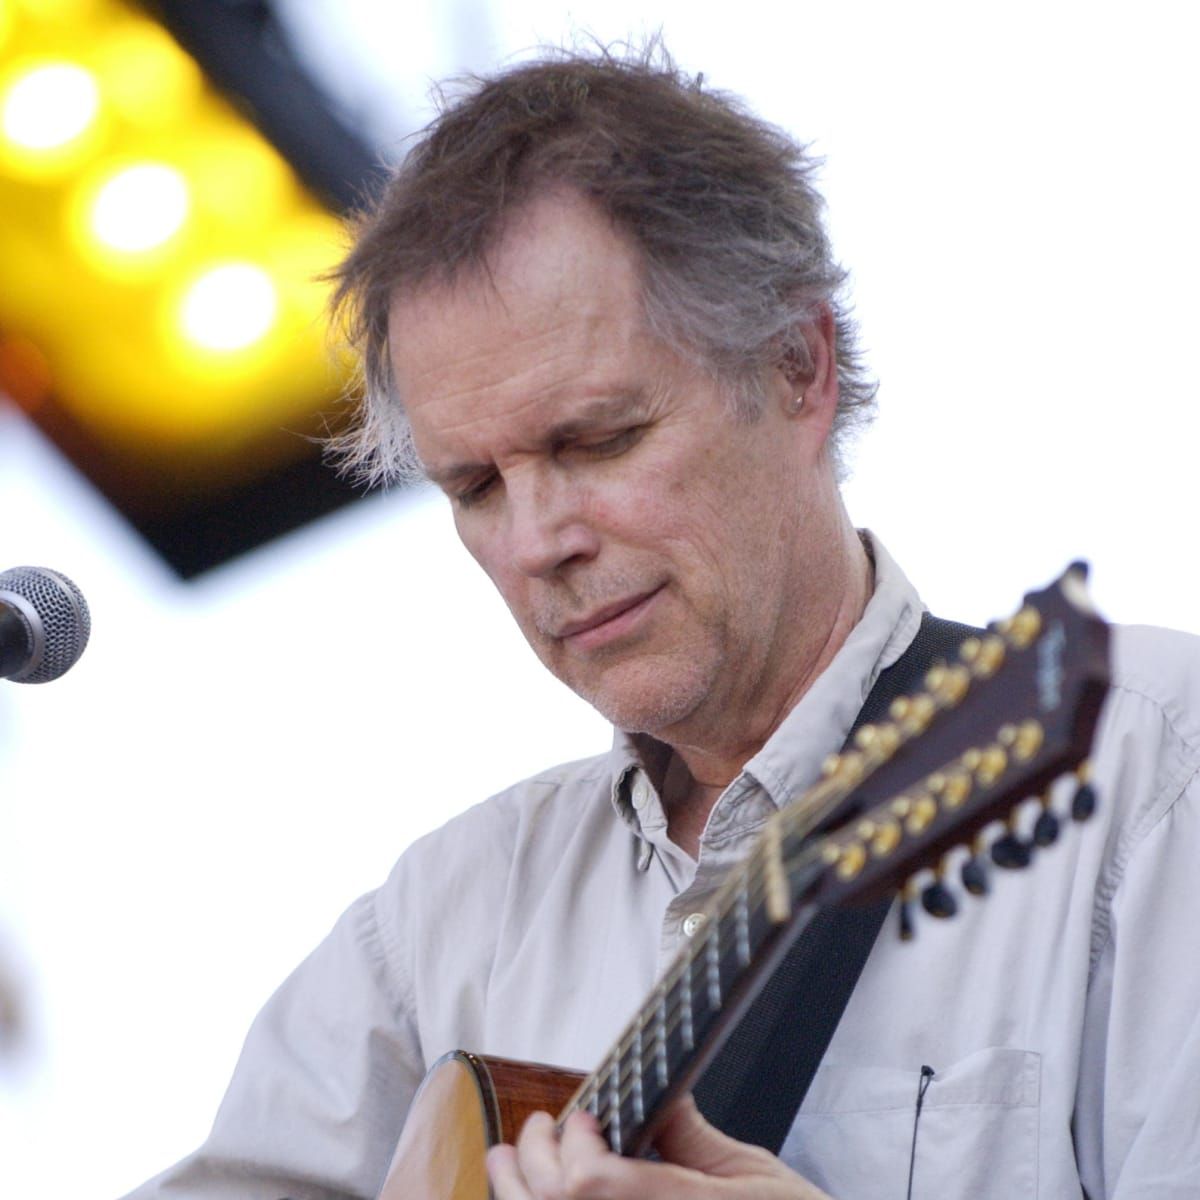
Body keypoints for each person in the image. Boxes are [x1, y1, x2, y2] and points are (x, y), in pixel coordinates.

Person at [124, 47, 1200, 1199]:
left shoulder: (1143, 766)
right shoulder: (439, 934)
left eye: (595, 440)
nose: (538, 539)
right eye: (475, 488)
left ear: (798, 365)